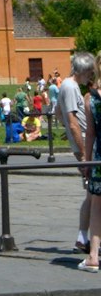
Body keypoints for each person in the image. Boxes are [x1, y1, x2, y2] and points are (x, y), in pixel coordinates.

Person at [58, 53, 97, 253]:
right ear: (82, 70)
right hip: (85, 143)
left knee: (91, 194)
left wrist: (69, 132)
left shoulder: (65, 85)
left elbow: (59, 112)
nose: (91, 77)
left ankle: (84, 238)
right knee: (94, 194)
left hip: (80, 140)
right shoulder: (72, 87)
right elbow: (73, 120)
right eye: (90, 72)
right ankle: (85, 239)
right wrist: (83, 155)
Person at [78, 69, 101, 272]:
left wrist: (87, 161)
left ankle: (93, 256)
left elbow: (91, 134)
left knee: (96, 204)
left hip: (99, 157)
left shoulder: (90, 99)